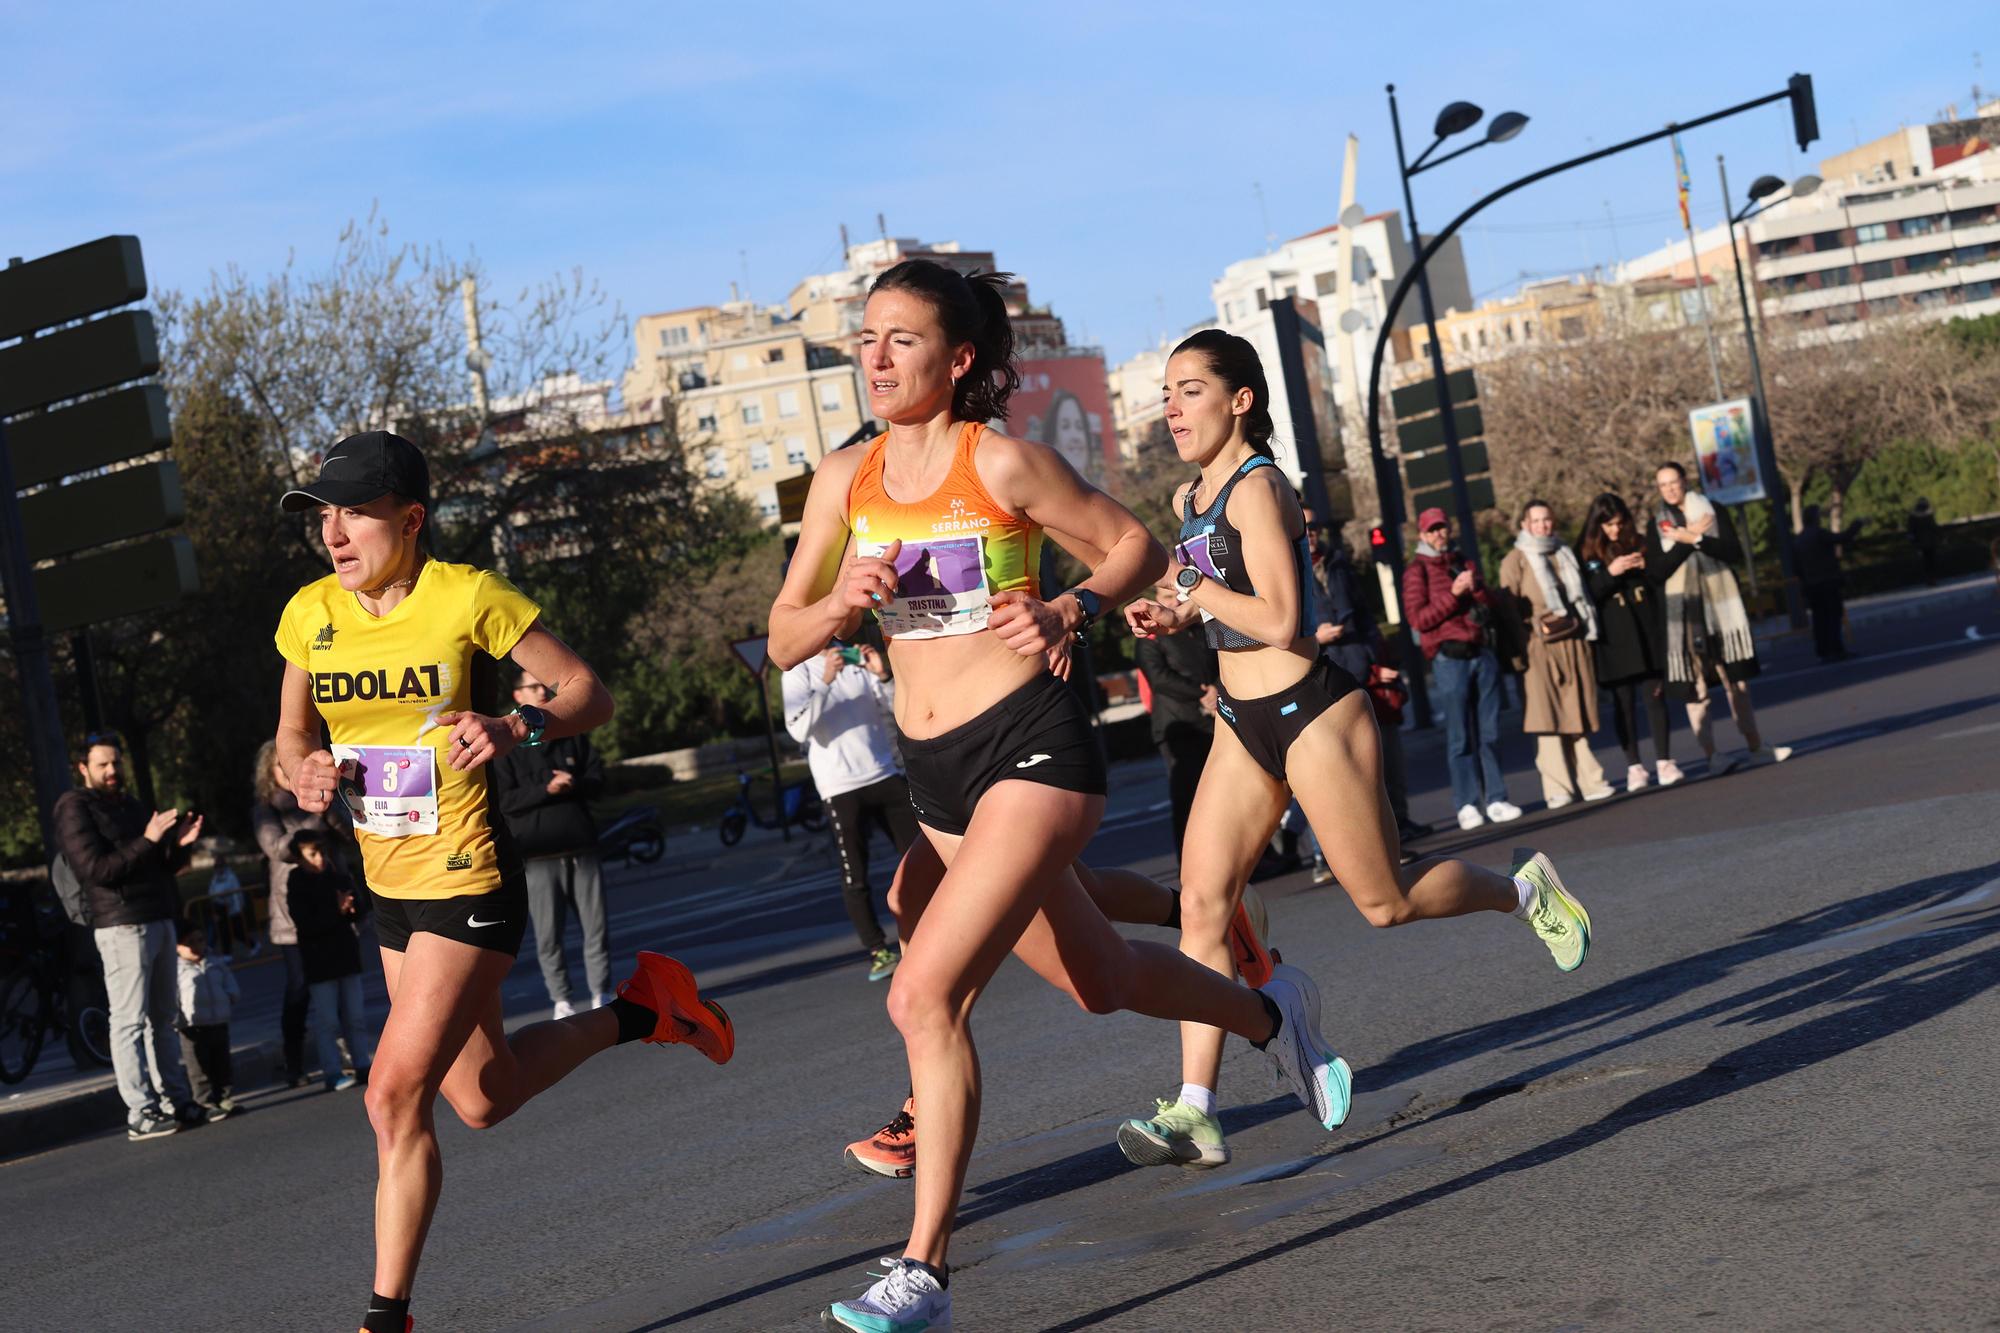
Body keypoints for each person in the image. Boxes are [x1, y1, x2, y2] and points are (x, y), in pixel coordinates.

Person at [768, 262, 1340, 1332]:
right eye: (866, 336)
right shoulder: (841, 481)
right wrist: (840, 599)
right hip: (930, 773)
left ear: (958, 359)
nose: (876, 355)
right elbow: (781, 634)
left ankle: (922, 1273)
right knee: (1102, 977)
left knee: (920, 993)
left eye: (901, 338)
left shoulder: (1004, 463)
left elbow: (1130, 547)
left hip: (1031, 749)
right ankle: (1274, 1012)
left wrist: (1068, 609)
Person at [272, 429, 732, 1333]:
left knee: (391, 1094)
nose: (334, 531)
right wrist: (304, 772)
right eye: (323, 514)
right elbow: (289, 738)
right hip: (390, 887)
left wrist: (516, 726)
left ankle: (385, 1317)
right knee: (483, 1097)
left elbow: (587, 693)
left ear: (410, 519)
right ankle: (647, 1009)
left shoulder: (466, 597)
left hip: (468, 876)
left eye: (355, 511)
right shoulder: (307, 615)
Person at [1116, 329, 1590, 1177]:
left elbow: (1281, 617)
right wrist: (1168, 611)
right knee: (1202, 904)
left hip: (1310, 713)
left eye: (1190, 389)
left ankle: (1522, 891)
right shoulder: (1193, 497)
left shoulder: (1261, 488)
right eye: (1166, 391)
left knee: (1385, 901)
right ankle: (1197, 1109)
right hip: (1240, 722)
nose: (1171, 406)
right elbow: (1210, 600)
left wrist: (1192, 589)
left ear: (1240, 400)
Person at [53, 733, 206, 1142]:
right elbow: (96, 870)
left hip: (157, 918)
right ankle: (141, 1110)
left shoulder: (132, 806)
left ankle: (176, 1100)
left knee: (164, 1018)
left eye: (116, 763)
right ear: (83, 768)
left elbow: (158, 867)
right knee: (128, 1022)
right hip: (120, 924)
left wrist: (179, 846)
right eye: (102, 764)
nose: (112, 771)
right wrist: (150, 838)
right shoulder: (74, 808)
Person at [782, 638, 920, 981]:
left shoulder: (856, 657)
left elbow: (897, 709)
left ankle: (930, 935)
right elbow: (799, 728)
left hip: (884, 773)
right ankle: (878, 950)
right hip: (839, 787)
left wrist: (882, 675)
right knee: (855, 876)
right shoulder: (797, 671)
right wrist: (826, 680)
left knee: (923, 858)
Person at [1654, 461, 1792, 771]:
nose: (1670, 489)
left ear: (1684, 480)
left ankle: (1756, 745)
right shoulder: (1658, 524)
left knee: (1737, 681)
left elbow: (1733, 552)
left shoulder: (1710, 510)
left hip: (1721, 609)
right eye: (1663, 485)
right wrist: (1687, 541)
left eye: (1673, 482)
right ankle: (1712, 754)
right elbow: (1658, 571)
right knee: (1697, 687)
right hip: (1686, 615)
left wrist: (1700, 539)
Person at [492, 666, 612, 1017]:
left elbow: (599, 781)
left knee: (596, 929)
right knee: (548, 936)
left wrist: (573, 782)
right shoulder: (507, 747)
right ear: (518, 697)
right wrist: (545, 788)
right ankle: (561, 1000)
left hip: (581, 848)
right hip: (537, 856)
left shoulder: (570, 733)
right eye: (534, 687)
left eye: (546, 687)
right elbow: (503, 801)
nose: (543, 693)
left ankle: (601, 993)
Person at [1401, 508, 1523, 830]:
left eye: (1443, 528)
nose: (1440, 534)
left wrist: (1477, 589)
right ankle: (1467, 803)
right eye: (1433, 530)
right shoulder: (1416, 571)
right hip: (1449, 659)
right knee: (1460, 737)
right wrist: (1454, 596)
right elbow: (1418, 619)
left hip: (1481, 653)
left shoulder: (1463, 560)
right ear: (1423, 535)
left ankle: (1496, 797)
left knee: (1490, 731)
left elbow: (1490, 603)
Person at [1499, 500, 1616, 808]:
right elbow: (1508, 609)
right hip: (1538, 646)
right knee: (1547, 717)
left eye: (1547, 520)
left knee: (1577, 710)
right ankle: (1557, 788)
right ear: (1525, 524)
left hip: (1573, 640)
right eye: (1536, 521)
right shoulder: (1516, 559)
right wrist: (1525, 639)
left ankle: (1591, 781)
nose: (1543, 526)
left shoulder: (1564, 552)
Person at [251, 739, 340, 1086]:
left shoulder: (321, 799)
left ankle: (347, 1051)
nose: (289, 772)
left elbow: (349, 833)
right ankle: (294, 1060)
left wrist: (330, 808)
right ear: (269, 774)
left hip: (331, 899)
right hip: (293, 913)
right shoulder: (266, 809)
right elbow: (279, 847)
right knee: (300, 987)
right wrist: (316, 820)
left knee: (341, 979)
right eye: (281, 767)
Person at [1578, 493, 1682, 790]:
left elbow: (1657, 579)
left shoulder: (1638, 540)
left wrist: (1643, 564)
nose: (1615, 530)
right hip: (1613, 637)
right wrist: (1611, 573)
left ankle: (1664, 760)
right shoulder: (1585, 552)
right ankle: (1634, 766)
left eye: (1619, 524)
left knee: (1656, 697)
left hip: (1645, 629)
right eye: (1608, 525)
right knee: (1622, 703)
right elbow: (1586, 595)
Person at [286, 828, 374, 1092]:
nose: (319, 858)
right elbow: (304, 920)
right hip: (318, 960)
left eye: (321, 852)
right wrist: (335, 911)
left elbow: (358, 911)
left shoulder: (336, 875)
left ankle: (362, 1063)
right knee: (327, 1021)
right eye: (312, 854)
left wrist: (351, 907)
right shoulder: (296, 882)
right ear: (299, 858)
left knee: (355, 1015)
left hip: (345, 954)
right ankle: (332, 1071)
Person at [1132, 617, 1217, 855]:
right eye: (1166, 597)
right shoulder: (1150, 639)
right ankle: (1191, 863)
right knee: (1187, 800)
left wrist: (1216, 689)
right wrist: (1200, 693)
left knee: (1223, 799)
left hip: (1211, 723)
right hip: (1178, 728)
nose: (1173, 602)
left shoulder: (1198, 630)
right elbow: (1159, 679)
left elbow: (1220, 662)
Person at [174, 920, 241, 1119]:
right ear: (178, 946)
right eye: (190, 942)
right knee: (199, 1068)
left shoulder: (215, 962)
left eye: (200, 940)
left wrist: (231, 995)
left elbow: (229, 982)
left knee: (222, 1062)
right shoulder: (176, 970)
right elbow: (172, 997)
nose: (196, 946)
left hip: (218, 1021)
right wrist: (177, 1019)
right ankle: (205, 1101)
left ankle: (225, 1097)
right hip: (192, 1026)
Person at [1793, 505, 1863, 662]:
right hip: (1827, 581)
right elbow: (1842, 538)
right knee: (1833, 616)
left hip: (1812, 585)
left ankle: (1824, 650)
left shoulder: (1799, 539)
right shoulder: (1818, 534)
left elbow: (1796, 567)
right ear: (1815, 518)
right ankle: (1836, 648)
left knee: (1819, 619)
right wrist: (1856, 525)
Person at [1907, 497, 1942, 585]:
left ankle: (1929, 579)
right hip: (1930, 542)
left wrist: (1913, 542)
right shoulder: (1928, 515)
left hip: (1921, 543)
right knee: (1931, 562)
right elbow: (1934, 528)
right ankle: (1932, 579)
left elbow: (1911, 530)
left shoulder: (1913, 517)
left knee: (1926, 562)